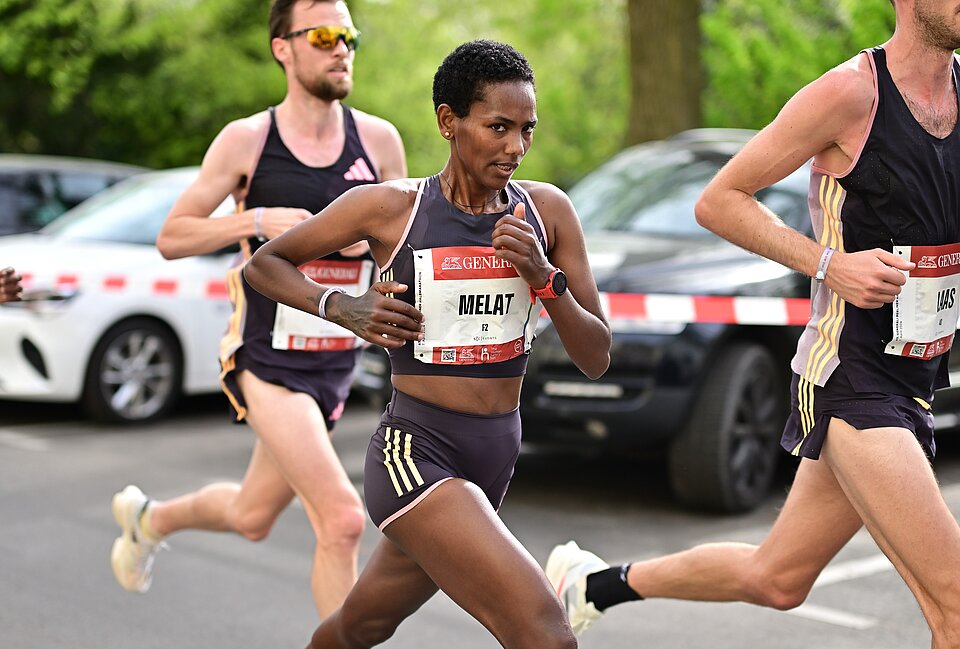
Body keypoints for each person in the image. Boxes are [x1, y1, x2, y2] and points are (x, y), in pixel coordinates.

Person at [546, 0, 960, 645]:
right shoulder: (852, 94)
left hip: (915, 375)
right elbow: (720, 201)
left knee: (778, 579)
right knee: (956, 603)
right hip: (850, 378)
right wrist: (830, 264)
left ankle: (590, 584)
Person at [244, 39, 611, 648]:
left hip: (495, 454)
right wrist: (344, 308)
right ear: (449, 121)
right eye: (497, 127)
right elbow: (267, 263)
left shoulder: (546, 212)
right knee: (543, 630)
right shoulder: (391, 209)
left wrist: (546, 280)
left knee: (362, 624)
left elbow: (596, 357)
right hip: (414, 452)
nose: (515, 147)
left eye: (526, 130)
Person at [108, 0, 406, 619]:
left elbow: (399, 251)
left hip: (332, 364)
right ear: (284, 48)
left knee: (251, 515)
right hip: (265, 360)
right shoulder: (249, 139)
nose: (341, 47)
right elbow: (173, 236)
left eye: (348, 35)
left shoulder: (378, 141)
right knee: (344, 520)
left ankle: (148, 518)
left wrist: (367, 244)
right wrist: (255, 219)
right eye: (323, 35)